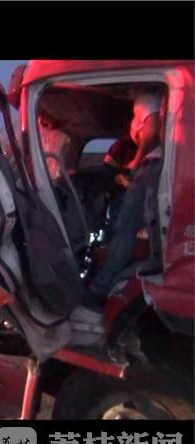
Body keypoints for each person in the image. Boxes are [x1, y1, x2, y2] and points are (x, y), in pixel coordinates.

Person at [86, 91, 164, 305]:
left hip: (151, 165)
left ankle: (99, 289)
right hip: (155, 166)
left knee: (124, 228)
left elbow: (152, 131)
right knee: (153, 225)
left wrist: (136, 163)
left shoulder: (146, 99)